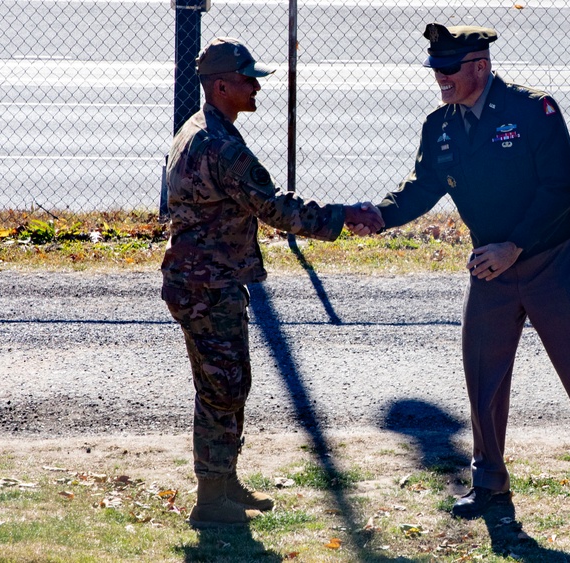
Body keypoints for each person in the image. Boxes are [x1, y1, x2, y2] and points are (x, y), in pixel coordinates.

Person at [366, 23, 570, 518]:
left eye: (449, 68)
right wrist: (373, 216)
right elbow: (418, 189)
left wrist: (514, 246)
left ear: (480, 66)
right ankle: (490, 484)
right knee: (484, 372)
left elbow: (559, 191)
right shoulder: (439, 126)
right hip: (491, 269)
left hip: (551, 260)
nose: (439, 76)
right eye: (434, 67)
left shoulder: (532, 111)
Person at [161, 36, 383, 528]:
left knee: (229, 384)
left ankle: (223, 482)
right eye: (247, 79)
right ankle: (210, 501)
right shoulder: (219, 145)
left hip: (205, 281)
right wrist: (345, 217)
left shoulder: (202, 129)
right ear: (221, 86)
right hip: (206, 287)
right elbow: (276, 208)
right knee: (222, 389)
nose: (256, 86)